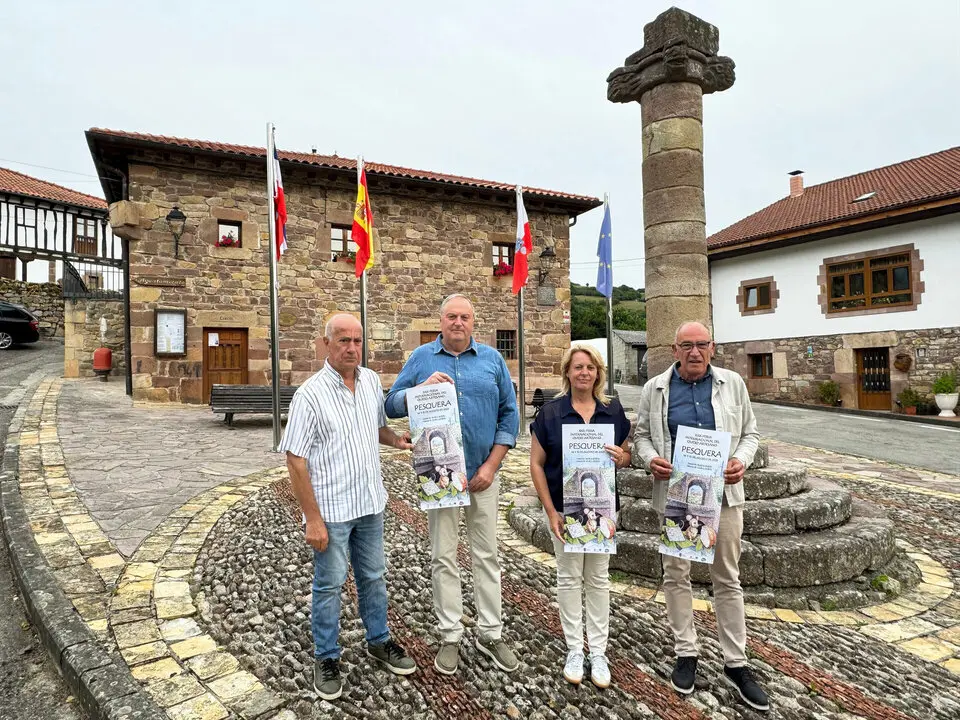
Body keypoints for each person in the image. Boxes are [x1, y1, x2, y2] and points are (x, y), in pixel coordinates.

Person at [633, 321, 769, 712]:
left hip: (724, 495)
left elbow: (751, 434)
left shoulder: (732, 384)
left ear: (713, 348)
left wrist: (741, 461)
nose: (695, 352)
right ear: (674, 350)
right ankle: (685, 652)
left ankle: (737, 662)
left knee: (727, 576)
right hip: (677, 496)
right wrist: (649, 459)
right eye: (687, 346)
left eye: (702, 345)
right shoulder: (655, 388)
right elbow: (641, 435)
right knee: (676, 574)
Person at [279, 313, 417, 701]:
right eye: (343, 341)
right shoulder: (309, 395)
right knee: (329, 585)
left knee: (374, 576)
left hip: (370, 502)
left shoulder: (371, 381)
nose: (351, 348)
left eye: (357, 341)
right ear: (326, 344)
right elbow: (295, 460)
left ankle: (378, 640)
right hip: (333, 511)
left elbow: (376, 429)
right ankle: (326, 657)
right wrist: (312, 519)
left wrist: (398, 442)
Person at [385, 294, 520, 676]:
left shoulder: (493, 360)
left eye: (464, 317)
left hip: (482, 473)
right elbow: (390, 404)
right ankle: (449, 634)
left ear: (473, 322)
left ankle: (490, 633)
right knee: (443, 555)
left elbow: (509, 416)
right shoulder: (421, 359)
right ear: (441, 321)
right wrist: (419, 389)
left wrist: (493, 465)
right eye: (451, 317)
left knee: (486, 554)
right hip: (439, 475)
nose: (458, 322)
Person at [529, 343, 632, 688]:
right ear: (567, 373)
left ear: (598, 373)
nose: (584, 373)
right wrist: (549, 511)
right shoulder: (551, 414)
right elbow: (536, 464)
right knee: (570, 578)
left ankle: (599, 651)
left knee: (599, 579)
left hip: (602, 509)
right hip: (564, 510)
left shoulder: (612, 410)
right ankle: (575, 648)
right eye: (577, 367)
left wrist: (623, 457)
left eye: (590, 367)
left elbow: (626, 452)